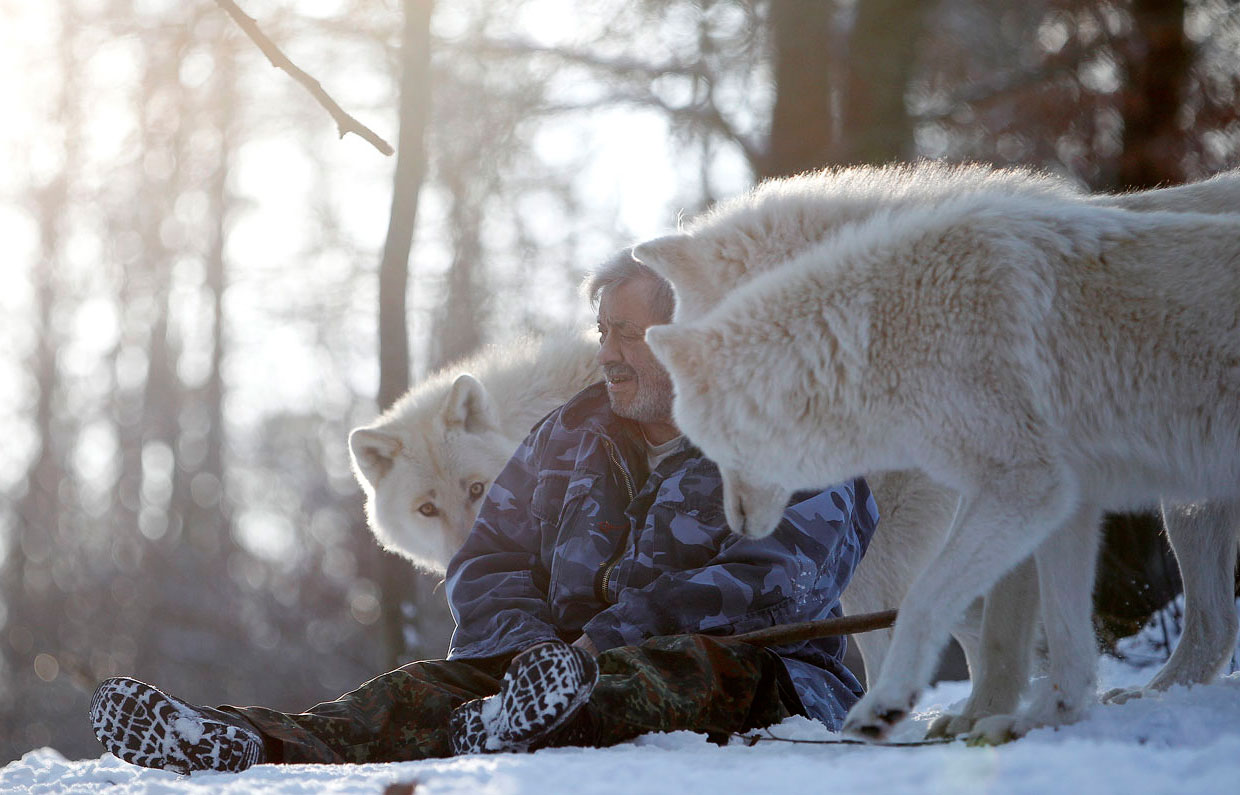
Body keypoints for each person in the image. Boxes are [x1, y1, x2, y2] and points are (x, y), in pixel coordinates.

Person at [89, 252, 878, 773]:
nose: (607, 353)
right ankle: (241, 739)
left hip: (770, 674)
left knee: (686, 671)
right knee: (420, 686)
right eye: (603, 330)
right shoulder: (569, 434)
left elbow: (778, 579)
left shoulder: (792, 427)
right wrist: (527, 649)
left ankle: (524, 713)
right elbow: (491, 555)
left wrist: (599, 644)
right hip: (551, 670)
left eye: (630, 335)